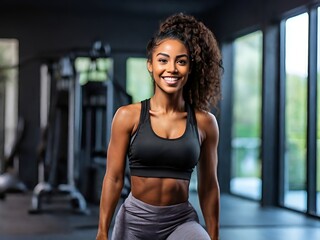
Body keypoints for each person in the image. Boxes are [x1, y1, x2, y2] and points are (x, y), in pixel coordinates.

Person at [96, 12, 222, 240]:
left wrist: (214, 236)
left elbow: (209, 185)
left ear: (190, 68)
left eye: (181, 61)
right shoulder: (127, 116)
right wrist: (102, 231)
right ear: (150, 66)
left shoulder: (205, 123)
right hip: (134, 221)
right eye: (163, 60)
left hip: (180, 222)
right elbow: (113, 178)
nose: (171, 69)